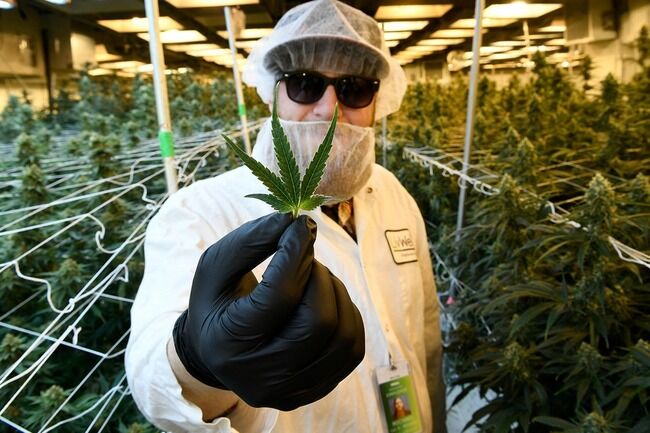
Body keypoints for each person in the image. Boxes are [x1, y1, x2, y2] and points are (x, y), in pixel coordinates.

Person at [124, 0, 446, 432]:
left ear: (377, 101)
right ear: (272, 92)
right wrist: (196, 358)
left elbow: (425, 334)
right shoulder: (199, 211)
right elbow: (151, 379)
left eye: (354, 88)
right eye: (304, 84)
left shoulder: (393, 193)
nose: (329, 108)